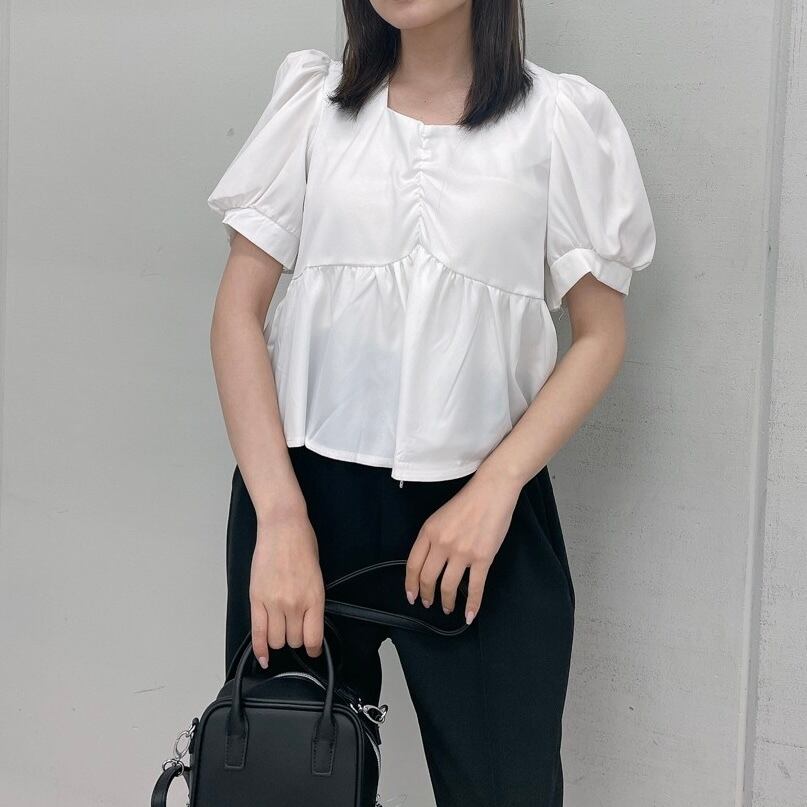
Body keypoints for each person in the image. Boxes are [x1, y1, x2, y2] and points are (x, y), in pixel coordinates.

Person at [206, 1, 656, 804]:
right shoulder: (312, 107)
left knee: (506, 787)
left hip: (477, 518)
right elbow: (236, 314)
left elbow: (600, 334)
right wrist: (278, 516)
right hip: (302, 504)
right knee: (280, 779)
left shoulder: (558, 122)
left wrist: (496, 487)